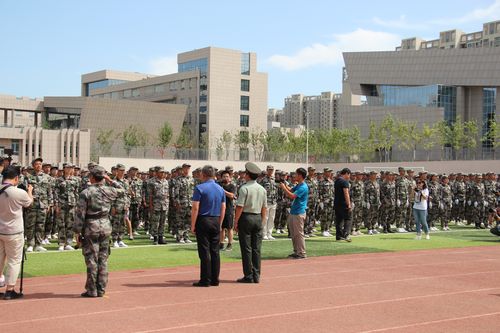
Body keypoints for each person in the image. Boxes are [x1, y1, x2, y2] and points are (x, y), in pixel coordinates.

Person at [73, 165, 124, 297]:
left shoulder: (86, 192)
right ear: (103, 177)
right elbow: (122, 190)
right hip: (105, 225)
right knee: (103, 259)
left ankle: (92, 290)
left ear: (92, 177)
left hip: (91, 226)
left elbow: (80, 214)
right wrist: (111, 180)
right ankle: (101, 289)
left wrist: (77, 232)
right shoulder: (109, 190)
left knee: (91, 259)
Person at [0, 166, 33, 300]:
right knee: (14, 261)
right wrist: (30, 191)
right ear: (16, 178)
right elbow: (29, 203)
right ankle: (10, 289)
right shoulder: (19, 192)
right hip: (14, 231)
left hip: (0, 229)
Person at [190, 165, 225, 287]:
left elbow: (195, 207)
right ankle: (215, 279)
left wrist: (192, 225)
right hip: (215, 219)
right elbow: (223, 207)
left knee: (204, 251)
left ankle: (205, 279)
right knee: (215, 251)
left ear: (203, 175)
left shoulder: (199, 188)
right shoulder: (220, 189)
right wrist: (220, 223)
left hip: (203, 220)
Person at [235, 162, 267, 282]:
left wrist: (236, 222)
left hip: (246, 217)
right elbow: (265, 207)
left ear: (247, 175)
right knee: (256, 248)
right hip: (258, 217)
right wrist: (262, 221)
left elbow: (239, 207)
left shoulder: (244, 188)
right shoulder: (262, 189)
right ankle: (256, 275)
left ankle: (248, 275)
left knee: (246, 248)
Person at [280, 167, 309, 259]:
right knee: (293, 233)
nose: (294, 176)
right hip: (294, 212)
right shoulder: (299, 185)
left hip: (299, 212)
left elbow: (292, 196)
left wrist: (284, 188)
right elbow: (291, 190)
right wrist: (284, 183)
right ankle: (296, 251)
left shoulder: (303, 187)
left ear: (300, 175)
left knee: (299, 234)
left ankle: (302, 252)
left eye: (296, 174)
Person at [334, 168, 353, 242]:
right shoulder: (344, 182)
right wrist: (349, 204)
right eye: (349, 175)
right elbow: (346, 193)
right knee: (348, 218)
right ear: (346, 173)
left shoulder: (337, 181)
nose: (349, 177)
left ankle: (338, 236)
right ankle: (346, 235)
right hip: (343, 204)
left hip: (337, 204)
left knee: (339, 220)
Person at [219, 170, 236, 251]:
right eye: (224, 176)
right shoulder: (218, 185)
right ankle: (221, 243)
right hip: (219, 209)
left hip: (229, 209)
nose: (225, 178)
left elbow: (232, 196)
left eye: (227, 176)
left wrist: (223, 191)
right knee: (221, 228)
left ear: (230, 178)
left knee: (229, 228)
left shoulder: (232, 186)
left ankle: (230, 244)